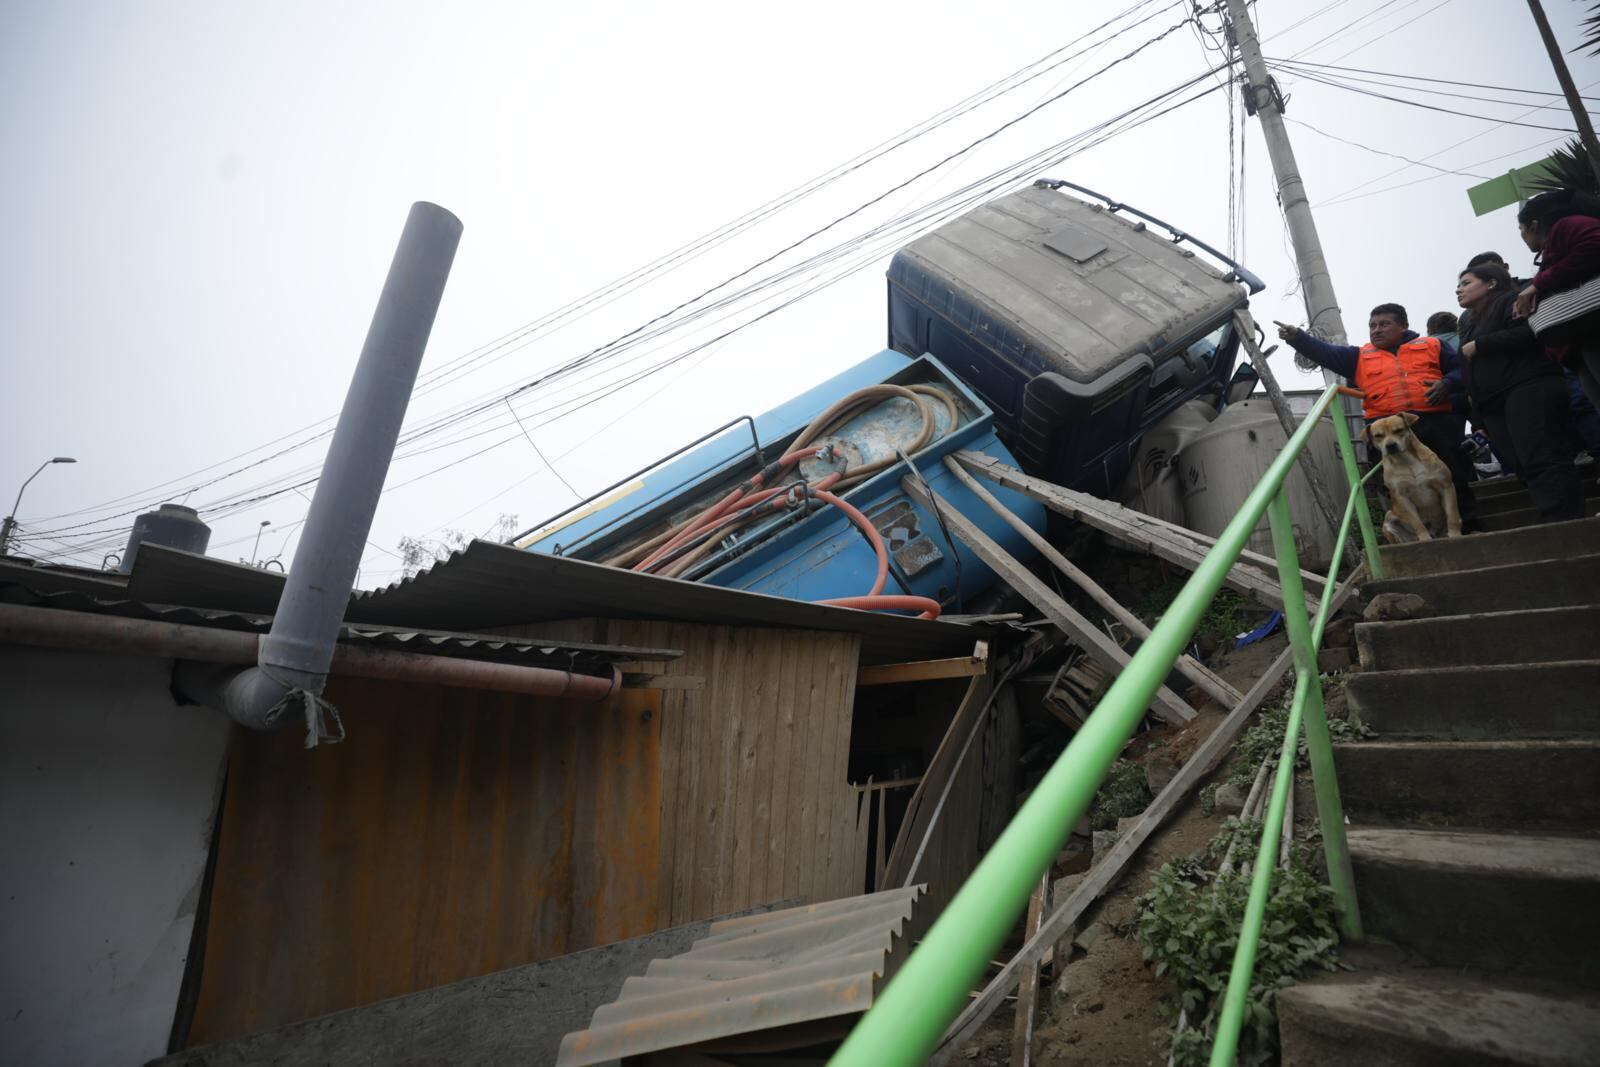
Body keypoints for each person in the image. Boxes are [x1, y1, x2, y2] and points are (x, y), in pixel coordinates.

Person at [1275, 304, 1479, 529]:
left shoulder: (1433, 345)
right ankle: (1414, 533)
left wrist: (1447, 384)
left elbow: (1462, 370)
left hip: (1433, 421)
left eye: (1384, 324)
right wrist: (1297, 338)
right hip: (1382, 430)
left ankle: (1469, 525)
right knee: (1392, 486)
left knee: (1453, 474)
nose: (1376, 330)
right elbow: (1325, 353)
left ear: (1404, 326)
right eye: (1372, 325)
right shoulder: (1358, 356)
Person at [1455, 262, 1583, 522]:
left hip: (1529, 386)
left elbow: (1533, 333)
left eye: (1466, 283)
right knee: (1520, 463)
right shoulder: (1467, 320)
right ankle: (1555, 514)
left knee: (1542, 455)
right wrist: (1478, 418)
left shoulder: (1511, 300)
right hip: (1492, 403)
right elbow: (1468, 370)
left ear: (1491, 283)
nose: (1459, 290)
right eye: (1458, 285)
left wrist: (1482, 344)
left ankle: (1566, 520)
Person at [1511, 188, 1600, 410]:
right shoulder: (1553, 246)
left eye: (1521, 229)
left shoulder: (1567, 225)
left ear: (1534, 225)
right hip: (1578, 341)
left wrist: (1538, 284)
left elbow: (1593, 245)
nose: (1521, 236)